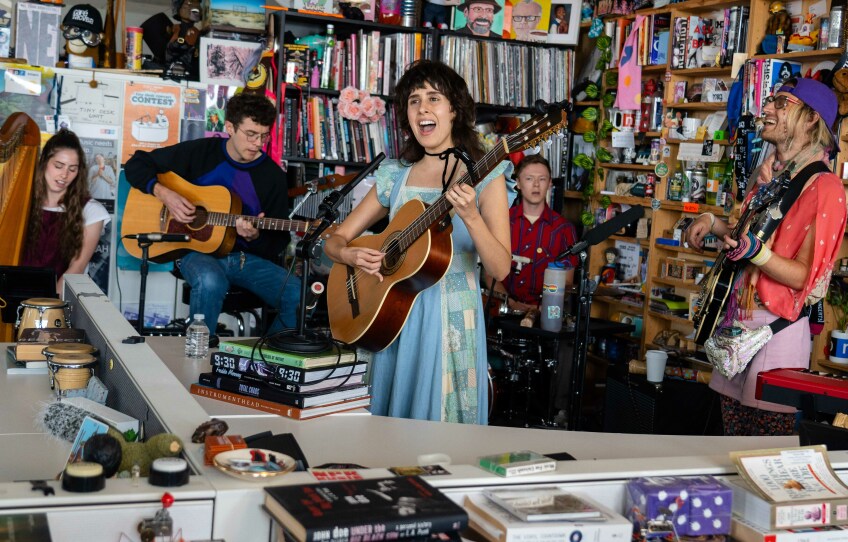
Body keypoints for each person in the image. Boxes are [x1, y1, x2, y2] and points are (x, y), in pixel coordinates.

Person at [323, 60, 512, 424]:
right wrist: (348, 252)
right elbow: (335, 239)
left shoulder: (486, 173)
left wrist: (471, 217)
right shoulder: (396, 175)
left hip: (450, 318)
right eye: (413, 100)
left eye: (434, 98)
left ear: (455, 110)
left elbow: (500, 268)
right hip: (389, 313)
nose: (422, 108)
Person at [685, 78, 846, 436]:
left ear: (809, 119)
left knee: (765, 450)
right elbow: (745, 237)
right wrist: (712, 222)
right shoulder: (773, 177)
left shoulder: (825, 186)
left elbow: (804, 276)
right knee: (730, 447)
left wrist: (756, 252)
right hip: (737, 324)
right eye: (770, 101)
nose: (767, 109)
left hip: (777, 332)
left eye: (782, 103)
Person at [125, 93, 300, 335]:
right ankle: (198, 359)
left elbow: (278, 243)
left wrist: (253, 237)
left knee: (297, 293)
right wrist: (164, 194)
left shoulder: (273, 178)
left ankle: (267, 360)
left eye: (264, 135)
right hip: (193, 251)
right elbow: (136, 164)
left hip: (242, 259)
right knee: (210, 281)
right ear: (230, 127)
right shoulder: (201, 152)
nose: (258, 143)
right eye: (250, 134)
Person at [22, 129, 110, 295]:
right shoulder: (22, 204)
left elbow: (76, 268)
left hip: (58, 304)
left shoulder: (92, 211)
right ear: (44, 162)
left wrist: (45, 308)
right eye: (58, 166)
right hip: (11, 299)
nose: (64, 175)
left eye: (72, 169)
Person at [496, 154, 576, 313]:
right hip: (504, 311)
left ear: (550, 183)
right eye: (529, 179)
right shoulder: (502, 221)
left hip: (545, 315)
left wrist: (540, 308)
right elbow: (491, 273)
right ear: (518, 183)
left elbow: (567, 282)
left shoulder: (564, 229)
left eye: (542, 179)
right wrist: (510, 303)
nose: (536, 185)